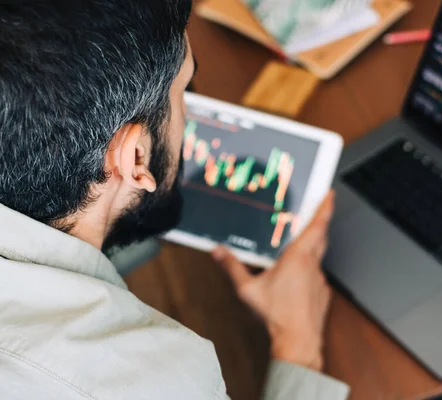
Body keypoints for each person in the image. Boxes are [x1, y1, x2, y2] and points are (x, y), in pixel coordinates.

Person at [0, 1, 349, 399]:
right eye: (183, 91)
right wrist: (297, 343)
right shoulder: (158, 380)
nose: (190, 116)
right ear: (135, 159)